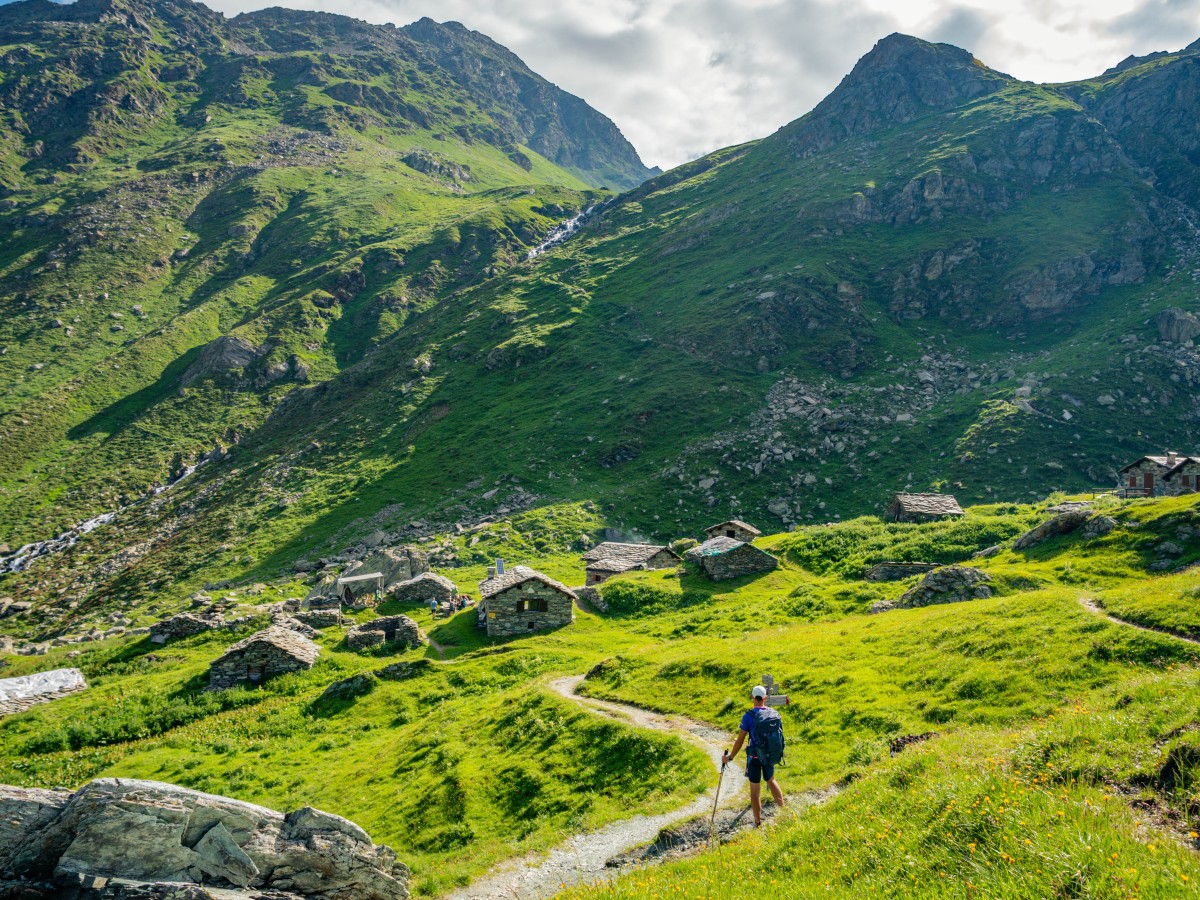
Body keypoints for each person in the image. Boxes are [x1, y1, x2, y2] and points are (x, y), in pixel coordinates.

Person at [722, 685, 785, 827]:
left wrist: (730, 757)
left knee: (755, 789)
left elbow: (740, 740)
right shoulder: (774, 713)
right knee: (771, 781)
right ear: (765, 698)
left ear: (752, 698)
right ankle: (784, 810)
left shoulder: (749, 716)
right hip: (769, 756)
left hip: (754, 758)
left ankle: (757, 822)